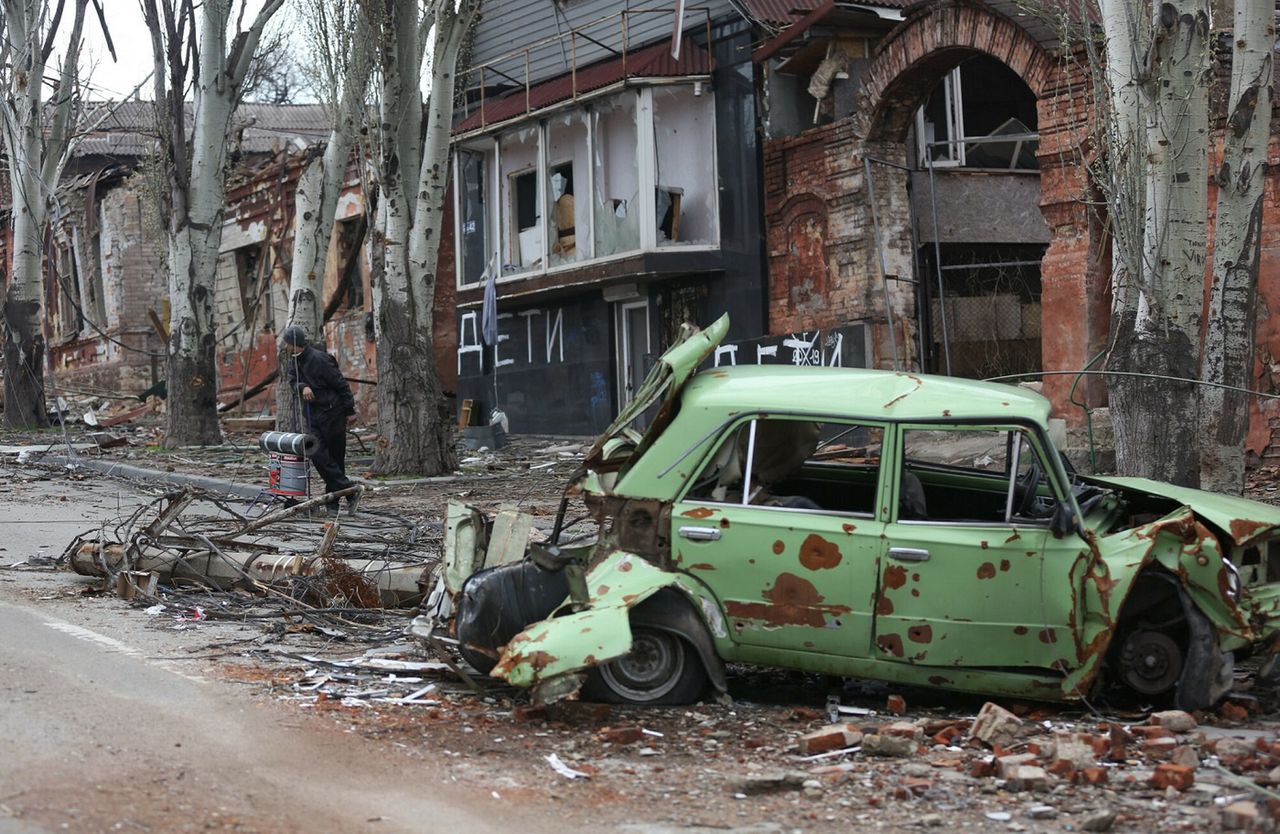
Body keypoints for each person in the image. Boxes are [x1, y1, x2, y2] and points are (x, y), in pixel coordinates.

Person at [281, 326, 359, 512]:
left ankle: (332, 502)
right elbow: (292, 380)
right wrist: (303, 387)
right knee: (316, 452)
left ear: (294, 344)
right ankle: (350, 491)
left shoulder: (320, 359)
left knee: (335, 458)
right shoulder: (295, 361)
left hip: (333, 413)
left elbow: (341, 384)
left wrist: (350, 410)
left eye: (287, 344)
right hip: (313, 415)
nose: (285, 347)